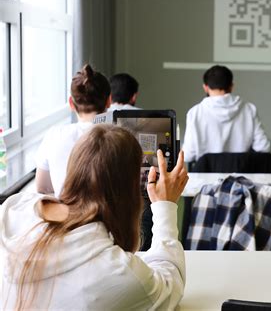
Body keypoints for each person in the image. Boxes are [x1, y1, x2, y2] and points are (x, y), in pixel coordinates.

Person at [0, 124, 188, 310]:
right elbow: (169, 285)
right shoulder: (120, 275)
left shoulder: (13, 210)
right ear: (130, 193)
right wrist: (165, 206)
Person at [35, 64, 111, 197]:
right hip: (109, 216)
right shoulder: (121, 137)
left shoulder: (54, 135)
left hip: (66, 215)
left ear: (71, 103)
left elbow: (42, 187)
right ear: (109, 101)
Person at [182, 65, 271, 163]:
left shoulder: (195, 113)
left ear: (206, 88)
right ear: (231, 86)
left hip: (205, 176)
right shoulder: (249, 109)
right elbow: (264, 148)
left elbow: (188, 156)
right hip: (241, 175)